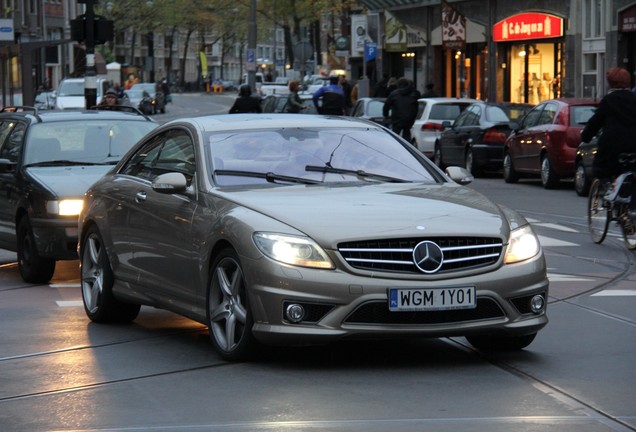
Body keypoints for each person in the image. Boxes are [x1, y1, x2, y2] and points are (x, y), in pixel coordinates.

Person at [581, 67, 636, 183]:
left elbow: (595, 122)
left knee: (602, 168)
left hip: (613, 144)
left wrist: (585, 136)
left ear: (610, 83)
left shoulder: (608, 100)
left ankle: (608, 188)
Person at [382, 77, 418, 141]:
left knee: (395, 137)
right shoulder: (413, 94)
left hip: (396, 119)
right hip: (408, 120)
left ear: (398, 85)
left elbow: (386, 106)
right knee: (407, 137)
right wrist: (413, 118)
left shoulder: (394, 94)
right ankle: (406, 148)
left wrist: (386, 115)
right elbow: (416, 108)